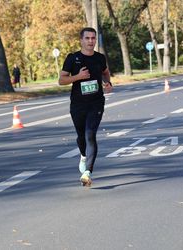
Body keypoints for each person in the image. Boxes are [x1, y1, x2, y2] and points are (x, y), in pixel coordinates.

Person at [58, 27, 113, 187]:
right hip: (77, 104)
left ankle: (88, 172)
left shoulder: (100, 58)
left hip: (96, 102)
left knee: (90, 134)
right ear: (81, 40)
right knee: (81, 136)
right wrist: (78, 77)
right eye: (87, 38)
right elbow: (61, 80)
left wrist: (107, 83)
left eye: (93, 38)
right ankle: (83, 155)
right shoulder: (72, 58)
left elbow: (106, 72)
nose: (91, 41)